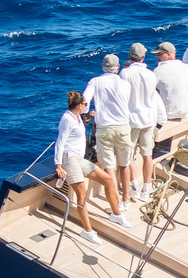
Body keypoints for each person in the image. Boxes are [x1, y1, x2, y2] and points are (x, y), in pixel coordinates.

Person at [55, 90, 124, 242]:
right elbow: (60, 142)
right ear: (79, 105)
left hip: (80, 159)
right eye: (85, 104)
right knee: (82, 195)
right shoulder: (67, 119)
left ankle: (116, 214)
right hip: (70, 160)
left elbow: (79, 128)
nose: (86, 106)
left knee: (107, 180)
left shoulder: (77, 117)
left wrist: (89, 118)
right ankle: (88, 231)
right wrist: (58, 165)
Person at [82, 53, 134, 220]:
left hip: (104, 129)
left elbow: (84, 101)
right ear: (117, 68)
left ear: (103, 67)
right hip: (123, 127)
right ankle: (126, 199)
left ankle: (116, 203)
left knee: (109, 167)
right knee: (125, 164)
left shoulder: (95, 82)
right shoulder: (125, 84)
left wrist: (86, 116)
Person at [120, 42, 165, 202]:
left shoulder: (125, 74)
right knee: (147, 155)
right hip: (149, 120)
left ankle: (134, 187)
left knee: (129, 155)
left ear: (129, 56)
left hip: (132, 121)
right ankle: (146, 189)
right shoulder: (151, 75)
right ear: (143, 57)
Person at [153, 40, 188, 118]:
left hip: (167, 113)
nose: (157, 57)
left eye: (159, 54)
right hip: (186, 111)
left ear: (168, 54)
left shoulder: (158, 71)